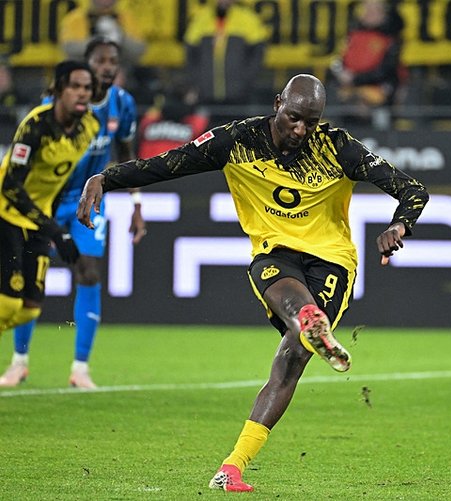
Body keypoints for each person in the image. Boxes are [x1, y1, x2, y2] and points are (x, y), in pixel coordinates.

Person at [76, 74, 428, 492]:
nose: (301, 130)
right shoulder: (237, 140)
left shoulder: (337, 147)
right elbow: (170, 163)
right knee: (295, 315)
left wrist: (400, 225)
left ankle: (234, 463)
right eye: (294, 117)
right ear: (278, 103)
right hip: (274, 252)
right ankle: (308, 321)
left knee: (294, 357)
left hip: (331, 260)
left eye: (311, 122)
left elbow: (412, 190)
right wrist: (106, 178)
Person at [0, 37, 146, 389]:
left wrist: (136, 202)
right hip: (40, 202)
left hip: (87, 200)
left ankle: (80, 368)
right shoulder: (51, 113)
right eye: (100, 61)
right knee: (20, 290)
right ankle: (19, 361)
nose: (107, 68)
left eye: (113, 61)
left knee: (88, 273)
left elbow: (126, 153)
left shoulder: (117, 107)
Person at [0, 61, 98, 343]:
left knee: (29, 310)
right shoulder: (35, 127)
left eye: (87, 87)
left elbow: (61, 177)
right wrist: (55, 230)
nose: (82, 93)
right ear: (58, 90)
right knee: (7, 305)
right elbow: (10, 187)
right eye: (75, 86)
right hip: (6, 213)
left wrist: (50, 223)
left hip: (39, 218)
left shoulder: (90, 126)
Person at [329, 0, 406, 122]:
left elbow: (386, 70)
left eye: (374, 11)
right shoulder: (352, 36)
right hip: (349, 90)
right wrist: (340, 72)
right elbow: (339, 60)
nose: (368, 14)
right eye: (366, 10)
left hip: (378, 91)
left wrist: (355, 79)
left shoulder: (390, 40)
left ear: (384, 14)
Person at [183, 0, 269, 105]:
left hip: (239, 94)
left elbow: (257, 56)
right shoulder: (200, 18)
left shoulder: (248, 19)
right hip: (206, 94)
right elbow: (190, 56)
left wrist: (245, 81)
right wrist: (198, 82)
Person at [59, 0, 145, 84]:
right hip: (82, 74)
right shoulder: (76, 18)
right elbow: (69, 48)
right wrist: (98, 42)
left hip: (122, 75)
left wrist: (120, 38)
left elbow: (139, 50)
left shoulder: (126, 17)